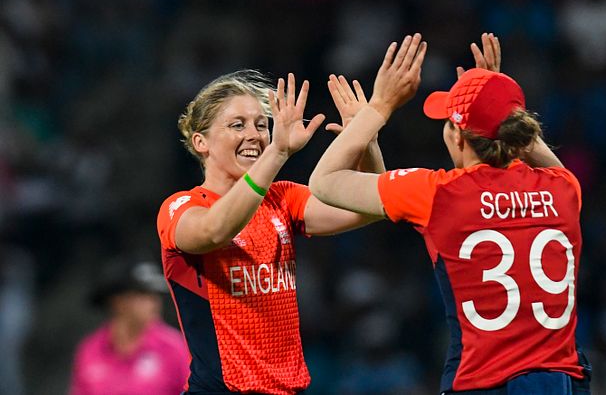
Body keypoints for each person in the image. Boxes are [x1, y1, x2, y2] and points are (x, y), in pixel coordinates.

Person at [309, 33, 592, 394]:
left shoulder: (438, 195)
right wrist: (497, 99)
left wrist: (378, 107)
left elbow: (325, 182)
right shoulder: (565, 190)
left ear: (458, 136)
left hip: (485, 383)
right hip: (561, 382)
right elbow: (533, 152)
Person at [156, 70, 385, 394]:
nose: (255, 135)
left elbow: (369, 206)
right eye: (238, 125)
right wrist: (278, 153)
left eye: (262, 124)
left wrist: (367, 140)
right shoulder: (181, 206)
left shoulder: (282, 198)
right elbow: (215, 230)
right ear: (201, 142)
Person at [69, 260, 190, 395]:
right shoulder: (90, 350)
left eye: (155, 295)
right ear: (118, 302)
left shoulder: (174, 347)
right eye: (143, 294)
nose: (154, 303)